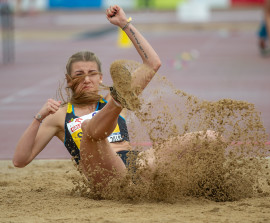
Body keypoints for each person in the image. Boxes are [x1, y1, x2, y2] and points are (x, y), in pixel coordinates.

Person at [13, 5, 161, 188]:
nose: (86, 79)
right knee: (89, 130)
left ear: (100, 78)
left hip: (134, 165)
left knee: (200, 139)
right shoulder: (59, 115)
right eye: (79, 74)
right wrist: (39, 118)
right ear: (68, 80)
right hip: (105, 177)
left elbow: (152, 64)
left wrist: (124, 24)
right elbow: (20, 161)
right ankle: (117, 103)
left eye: (92, 73)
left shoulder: (107, 99)